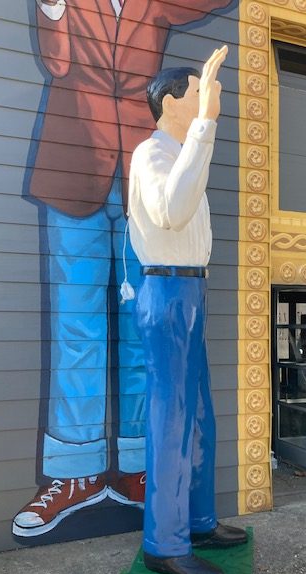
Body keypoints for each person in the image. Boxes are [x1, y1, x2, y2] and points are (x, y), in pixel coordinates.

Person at [14, 0, 233, 537]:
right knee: (76, 326)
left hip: (143, 175)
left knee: (140, 331)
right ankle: (75, 472)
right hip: (74, 166)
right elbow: (58, 61)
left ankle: (139, 467)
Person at [128, 47, 247, 574]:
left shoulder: (179, 153)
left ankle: (197, 522)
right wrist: (205, 128)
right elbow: (172, 212)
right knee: (172, 415)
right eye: (199, 92)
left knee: (198, 413)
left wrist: (200, 134)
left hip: (190, 289)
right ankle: (165, 543)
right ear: (172, 102)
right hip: (168, 289)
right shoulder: (152, 154)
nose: (208, 99)